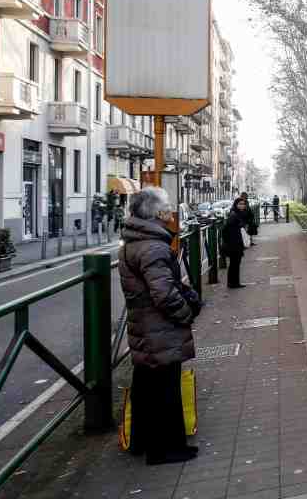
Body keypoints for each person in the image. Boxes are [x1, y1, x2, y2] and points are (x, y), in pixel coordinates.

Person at [119, 186, 200, 466]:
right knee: (164, 389)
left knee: (146, 386)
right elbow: (164, 294)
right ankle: (166, 449)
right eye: (166, 207)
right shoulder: (153, 247)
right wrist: (186, 312)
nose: (170, 212)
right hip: (159, 329)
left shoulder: (134, 242)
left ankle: (141, 441)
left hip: (144, 327)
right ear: (155, 213)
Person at [221, 197, 250, 288]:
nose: (242, 206)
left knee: (235, 263)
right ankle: (233, 283)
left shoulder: (238, 214)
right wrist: (229, 241)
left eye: (243, 204)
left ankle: (234, 283)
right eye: (240, 204)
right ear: (236, 205)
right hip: (234, 244)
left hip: (236, 242)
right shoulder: (234, 215)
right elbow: (225, 230)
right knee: (234, 263)